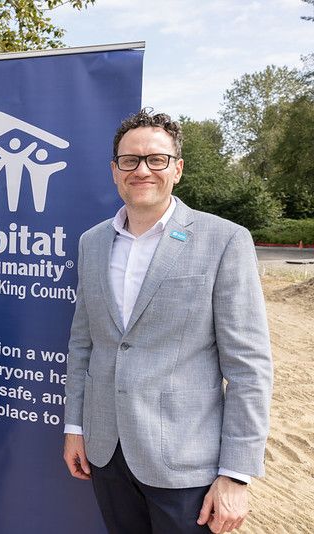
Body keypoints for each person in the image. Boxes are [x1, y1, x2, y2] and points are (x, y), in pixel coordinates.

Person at [63, 109, 273, 534]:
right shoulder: (92, 242)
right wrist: (75, 426)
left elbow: (248, 367)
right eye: (130, 160)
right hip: (108, 453)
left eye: (156, 159)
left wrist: (236, 473)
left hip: (186, 465)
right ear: (114, 171)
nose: (142, 170)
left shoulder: (225, 240)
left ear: (176, 169)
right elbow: (84, 346)